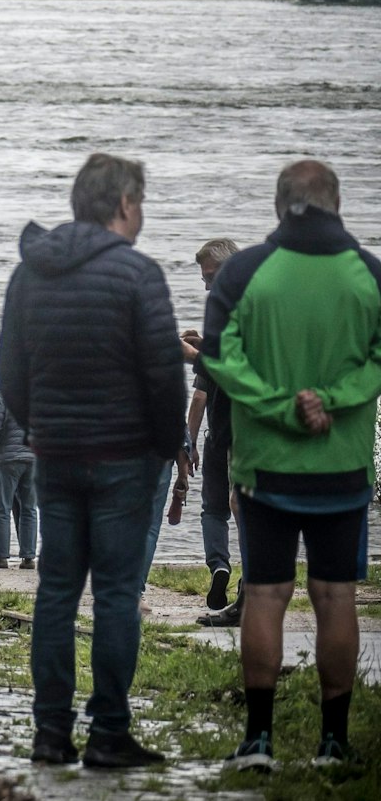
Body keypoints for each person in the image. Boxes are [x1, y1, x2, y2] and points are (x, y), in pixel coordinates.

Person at [0, 152, 185, 769]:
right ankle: (108, 733)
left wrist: (41, 427)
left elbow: (9, 371)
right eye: (141, 202)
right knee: (116, 595)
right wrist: (165, 447)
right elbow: (165, 375)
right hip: (124, 457)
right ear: (125, 204)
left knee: (56, 592)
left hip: (55, 455)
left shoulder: (29, 274)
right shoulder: (138, 275)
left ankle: (50, 733)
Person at [199, 159, 381, 772]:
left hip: (265, 469)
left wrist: (281, 408)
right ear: (337, 204)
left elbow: (219, 359)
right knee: (335, 597)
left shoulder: (243, 272)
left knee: (265, 596)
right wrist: (331, 401)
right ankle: (333, 743)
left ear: (280, 205)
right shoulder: (369, 273)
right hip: (342, 468)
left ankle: (258, 742)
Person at [180, 238, 242, 626]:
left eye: (210, 277)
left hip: (237, 431)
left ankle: (223, 568)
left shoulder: (240, 308)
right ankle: (245, 590)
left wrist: (195, 356)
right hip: (227, 430)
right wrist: (205, 348)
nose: (206, 287)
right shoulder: (228, 311)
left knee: (224, 509)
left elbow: (206, 390)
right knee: (237, 508)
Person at [0, 389, 37, 570]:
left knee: (2, 508)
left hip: (8, 459)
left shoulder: (3, 393)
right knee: (29, 508)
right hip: (34, 458)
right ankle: (28, 557)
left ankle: (1, 557)